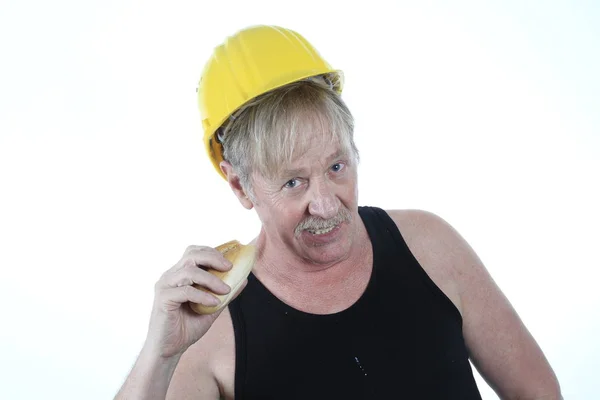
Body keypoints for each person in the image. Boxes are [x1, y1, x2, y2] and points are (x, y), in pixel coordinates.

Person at [115, 25, 562, 400]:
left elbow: (539, 394)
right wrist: (162, 355)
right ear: (239, 185)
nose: (326, 204)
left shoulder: (431, 246)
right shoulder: (212, 331)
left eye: (336, 166)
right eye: (294, 182)